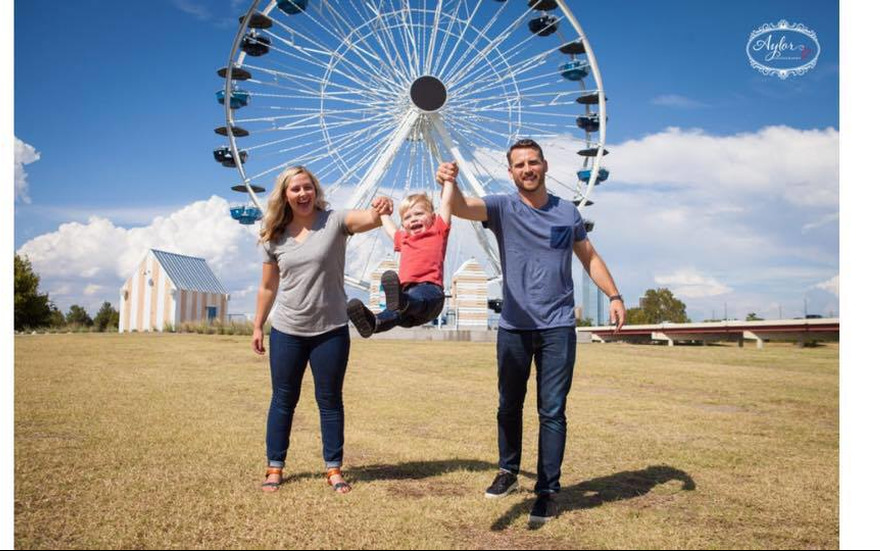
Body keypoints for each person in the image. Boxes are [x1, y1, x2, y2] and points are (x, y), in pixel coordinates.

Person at [435, 139, 626, 524]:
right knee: (508, 404)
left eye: (533, 162)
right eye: (519, 164)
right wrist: (447, 182)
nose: (527, 169)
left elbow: (588, 256)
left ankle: (548, 491)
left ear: (545, 165)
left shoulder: (566, 212)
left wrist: (615, 294)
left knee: (552, 411)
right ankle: (507, 470)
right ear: (510, 172)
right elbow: (457, 208)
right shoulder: (501, 208)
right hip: (514, 327)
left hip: (557, 326)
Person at [251, 165, 393, 494]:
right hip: (288, 329)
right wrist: (258, 325)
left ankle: (333, 468)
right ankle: (275, 466)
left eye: (307, 187)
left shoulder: (335, 221)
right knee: (283, 399)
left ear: (315, 190)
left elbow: (370, 219)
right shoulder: (274, 234)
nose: (302, 194)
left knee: (329, 400)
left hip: (330, 329)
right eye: (295, 189)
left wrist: (381, 208)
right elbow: (268, 288)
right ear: (285, 195)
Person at [346, 181, 453, 337]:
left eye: (419, 214)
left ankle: (404, 303)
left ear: (433, 217)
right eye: (408, 217)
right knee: (393, 312)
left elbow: (447, 203)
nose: (414, 219)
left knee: (409, 300)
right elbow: (389, 228)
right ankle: (373, 323)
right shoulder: (403, 239)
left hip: (430, 296)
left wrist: (449, 180)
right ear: (403, 224)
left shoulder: (438, 231)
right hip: (405, 299)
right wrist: (383, 212)